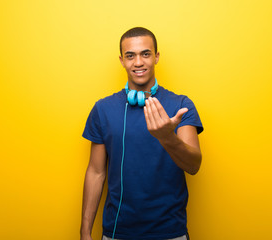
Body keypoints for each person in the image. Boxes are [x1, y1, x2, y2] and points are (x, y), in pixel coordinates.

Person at [80, 27, 204, 240]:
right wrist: (84, 232)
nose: (138, 62)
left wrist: (167, 137)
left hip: (170, 232)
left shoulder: (182, 105)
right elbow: (95, 172)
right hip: (116, 232)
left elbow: (193, 166)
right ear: (122, 60)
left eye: (145, 54)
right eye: (130, 56)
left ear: (156, 57)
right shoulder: (103, 109)